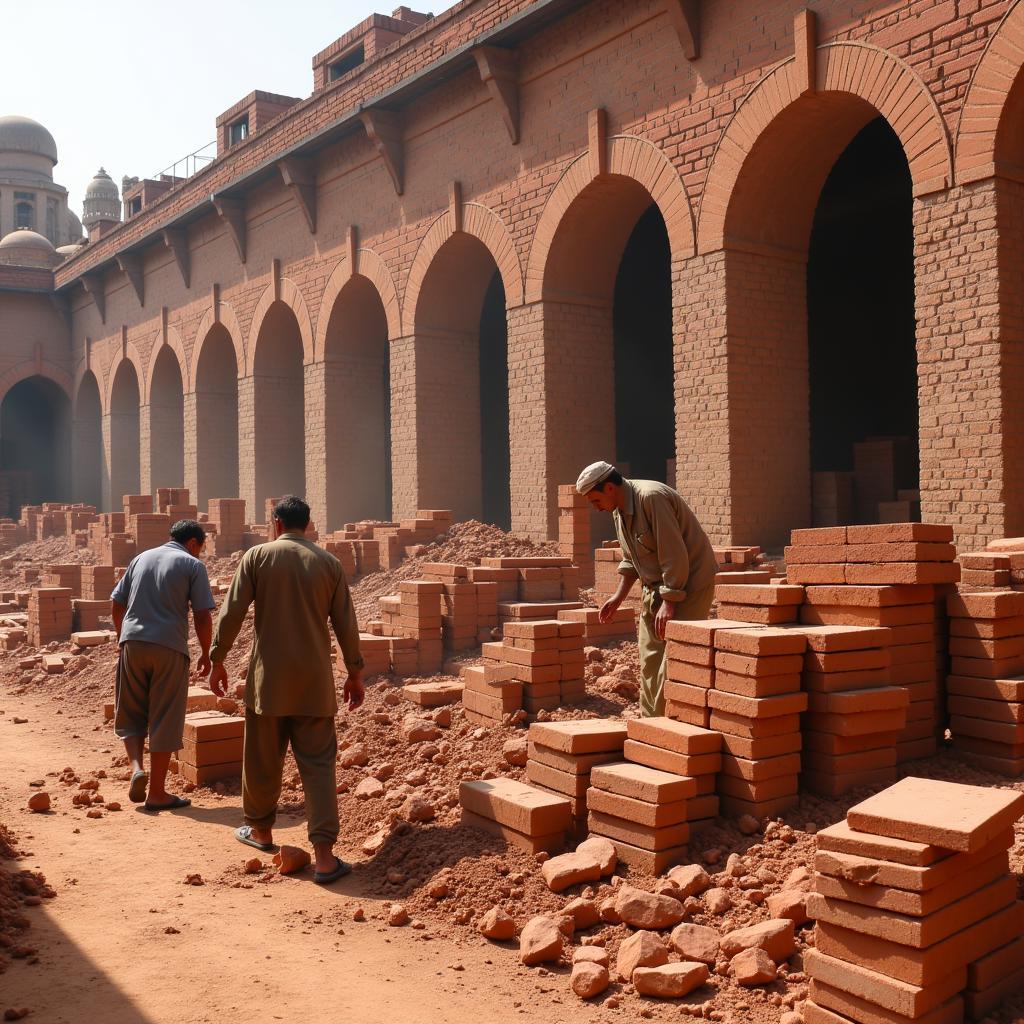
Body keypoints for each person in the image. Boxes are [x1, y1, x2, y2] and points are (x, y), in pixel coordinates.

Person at [205, 494, 364, 885]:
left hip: (268, 682)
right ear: (307, 525)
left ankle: (260, 832)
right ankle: (325, 858)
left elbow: (232, 612)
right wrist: (355, 673)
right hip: (313, 684)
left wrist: (217, 658)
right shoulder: (329, 564)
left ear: (275, 523)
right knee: (319, 766)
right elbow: (346, 623)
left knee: (261, 759)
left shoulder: (257, 558)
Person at [576, 462, 716, 718]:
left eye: (595, 500)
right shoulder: (617, 509)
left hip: (689, 585)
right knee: (649, 661)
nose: (595, 507)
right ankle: (650, 727)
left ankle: (672, 727)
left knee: (673, 660)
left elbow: (674, 554)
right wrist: (618, 597)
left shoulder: (651, 498)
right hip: (657, 588)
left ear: (609, 487)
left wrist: (670, 600)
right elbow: (632, 560)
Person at [110, 519, 215, 810]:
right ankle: (156, 792)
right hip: (168, 647)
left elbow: (117, 603)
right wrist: (206, 653)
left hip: (132, 644)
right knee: (165, 717)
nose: (199, 554)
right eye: (200, 548)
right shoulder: (192, 565)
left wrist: (123, 638)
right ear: (193, 543)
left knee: (130, 711)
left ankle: (136, 769)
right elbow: (203, 615)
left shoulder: (140, 558)